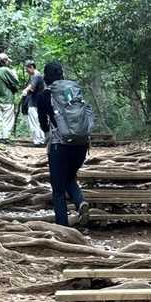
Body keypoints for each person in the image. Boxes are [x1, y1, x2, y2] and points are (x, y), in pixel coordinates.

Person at [32, 60, 95, 227]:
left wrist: (48, 133)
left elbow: (43, 124)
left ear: (46, 77)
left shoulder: (44, 96)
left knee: (58, 189)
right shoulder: (73, 91)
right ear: (62, 75)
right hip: (81, 145)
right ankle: (80, 202)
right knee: (69, 178)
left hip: (59, 146)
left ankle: (62, 227)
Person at [20, 59, 46, 145]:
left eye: (27, 69)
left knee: (34, 123)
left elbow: (32, 88)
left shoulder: (36, 76)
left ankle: (38, 141)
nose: (26, 71)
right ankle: (41, 140)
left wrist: (25, 92)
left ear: (31, 67)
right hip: (38, 103)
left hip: (34, 103)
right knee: (38, 122)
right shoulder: (38, 75)